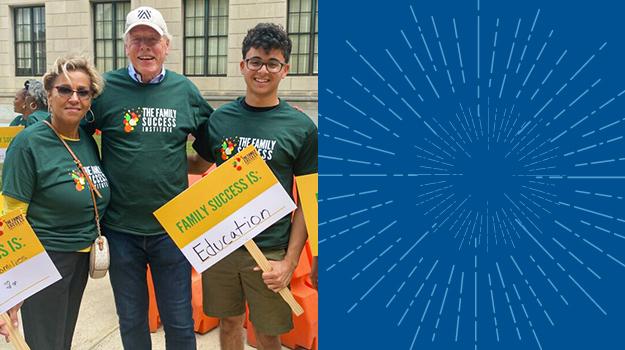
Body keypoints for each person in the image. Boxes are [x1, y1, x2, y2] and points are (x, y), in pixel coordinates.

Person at [84, 6, 213, 349]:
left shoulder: (184, 91)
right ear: (126, 45)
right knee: (132, 321)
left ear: (166, 45)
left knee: (180, 323)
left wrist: (190, 164)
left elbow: (212, 144)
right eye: (137, 39)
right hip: (120, 230)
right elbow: (77, 137)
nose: (145, 47)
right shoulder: (104, 89)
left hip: (172, 230)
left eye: (152, 39)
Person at [189, 23, 318, 350]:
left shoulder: (301, 127)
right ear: (242, 65)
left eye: (272, 63)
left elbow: (307, 200)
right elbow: (200, 166)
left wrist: (289, 263)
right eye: (256, 61)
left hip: (271, 252)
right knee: (229, 324)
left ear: (285, 69)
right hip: (221, 247)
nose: (263, 70)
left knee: (267, 334)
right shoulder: (220, 120)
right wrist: (155, 156)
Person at [2, 54, 110, 350]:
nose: (74, 97)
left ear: (90, 101)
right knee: (46, 344)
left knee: (61, 341)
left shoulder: (86, 141)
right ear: (49, 94)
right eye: (65, 89)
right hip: (44, 259)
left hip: (79, 260)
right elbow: (9, 215)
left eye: (82, 91)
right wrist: (6, 291)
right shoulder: (28, 143)